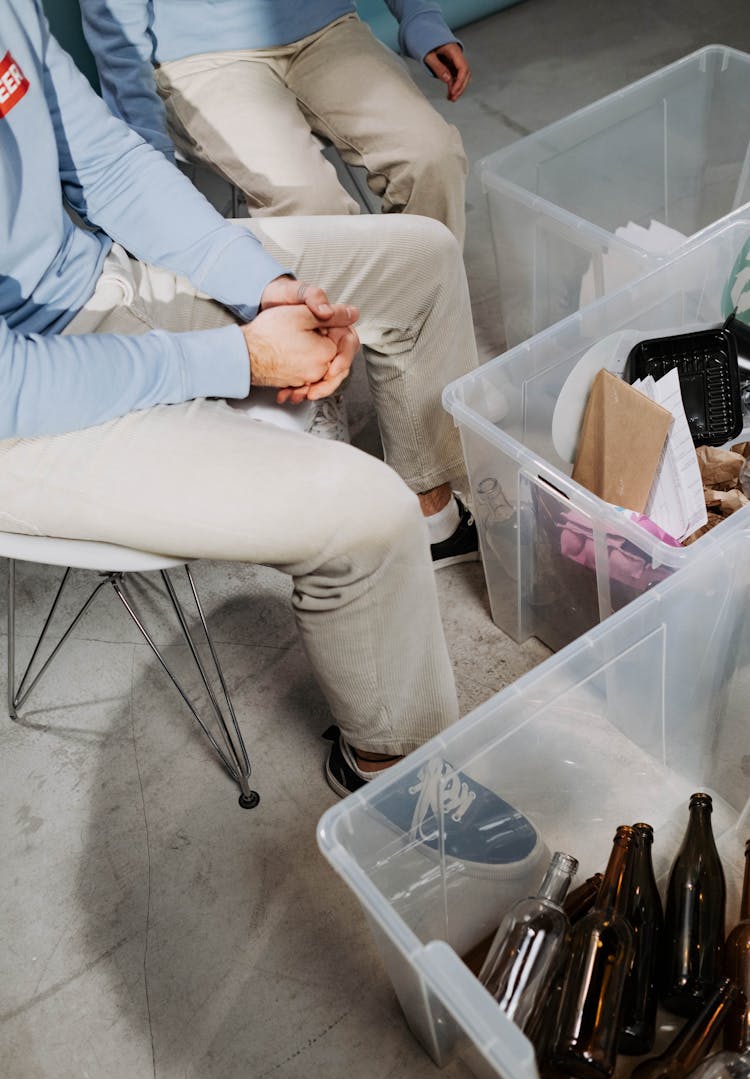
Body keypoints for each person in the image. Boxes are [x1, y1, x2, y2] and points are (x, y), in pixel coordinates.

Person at [1, 0, 480, 798]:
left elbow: (107, 163)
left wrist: (266, 287)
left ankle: (438, 509)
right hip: (21, 409)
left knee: (420, 263)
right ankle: (391, 771)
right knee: (361, 512)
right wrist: (235, 356)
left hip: (93, 282)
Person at [78, 0, 470, 246]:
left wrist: (420, 16)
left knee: (431, 154)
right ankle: (337, 344)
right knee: (308, 203)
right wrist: (147, 153)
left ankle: (423, 317)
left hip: (326, 29)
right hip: (199, 58)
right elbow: (113, 22)